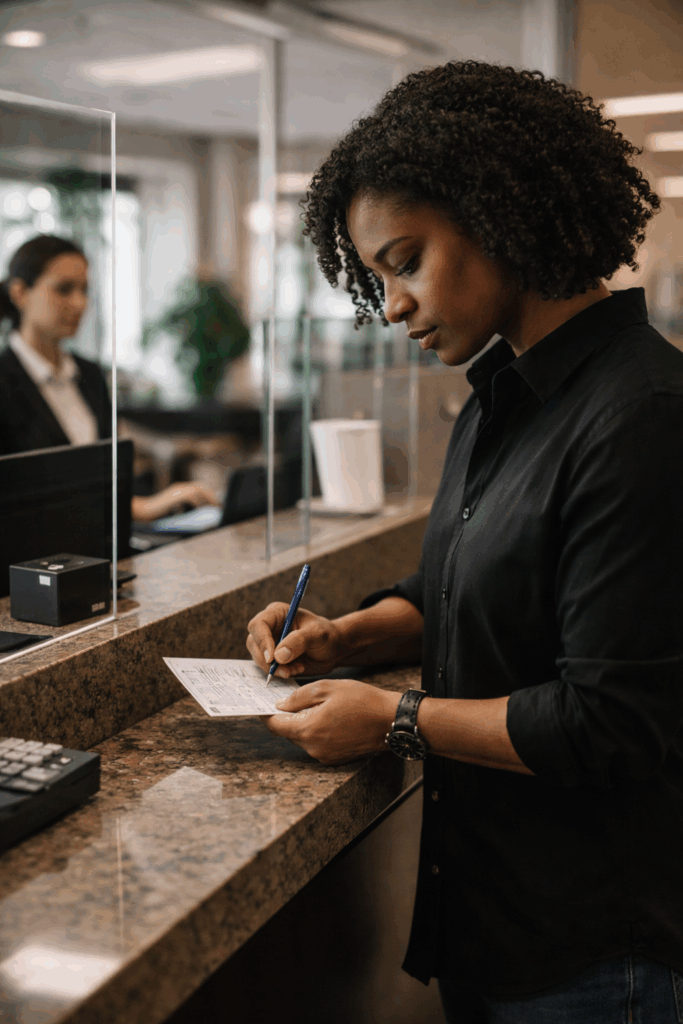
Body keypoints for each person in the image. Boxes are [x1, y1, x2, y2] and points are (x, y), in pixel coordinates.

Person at [246, 61, 683, 1023]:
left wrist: (392, 720)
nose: (390, 305)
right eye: (375, 277)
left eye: (403, 261)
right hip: (492, 920)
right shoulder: (501, 399)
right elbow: (452, 589)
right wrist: (347, 636)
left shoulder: (642, 414)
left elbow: (610, 723)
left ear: (500, 212)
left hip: (598, 951)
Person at [0, 234, 218, 520]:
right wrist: (145, 508)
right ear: (20, 293)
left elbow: (109, 482)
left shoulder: (89, 374)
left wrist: (155, 503)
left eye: (84, 290)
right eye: (64, 289)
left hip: (107, 545)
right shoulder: (4, 382)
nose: (79, 303)